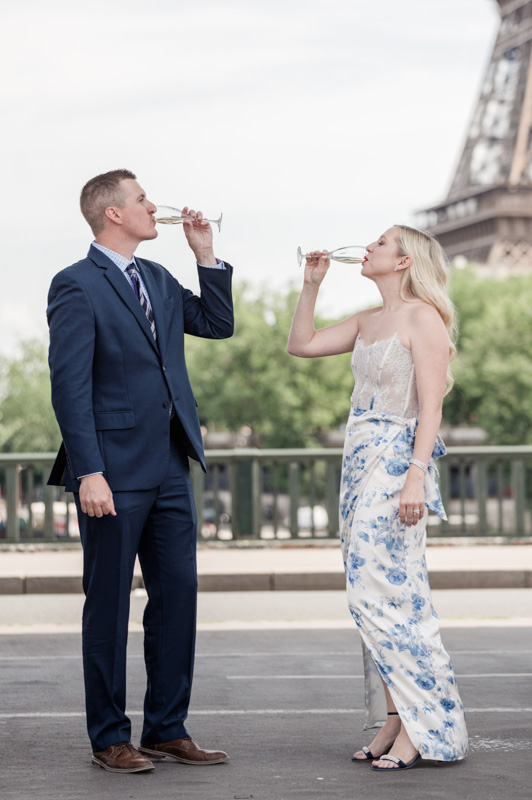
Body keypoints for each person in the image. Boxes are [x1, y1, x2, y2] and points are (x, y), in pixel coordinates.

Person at [47, 169, 234, 773]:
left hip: (170, 466)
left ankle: (166, 728)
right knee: (108, 606)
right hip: (113, 473)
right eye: (144, 200)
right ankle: (109, 737)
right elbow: (69, 388)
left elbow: (216, 323)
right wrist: (89, 472)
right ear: (113, 215)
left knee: (178, 598)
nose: (157, 206)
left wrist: (206, 255)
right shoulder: (75, 285)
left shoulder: (156, 275)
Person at [287, 225, 468, 771]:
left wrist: (415, 477)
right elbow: (302, 344)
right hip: (357, 463)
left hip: (396, 468)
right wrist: (311, 284)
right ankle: (394, 717)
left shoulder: (424, 319)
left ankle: (423, 724)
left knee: (395, 596)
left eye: (380, 243)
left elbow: (431, 410)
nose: (367, 247)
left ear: (404, 260)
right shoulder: (369, 319)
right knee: (370, 599)